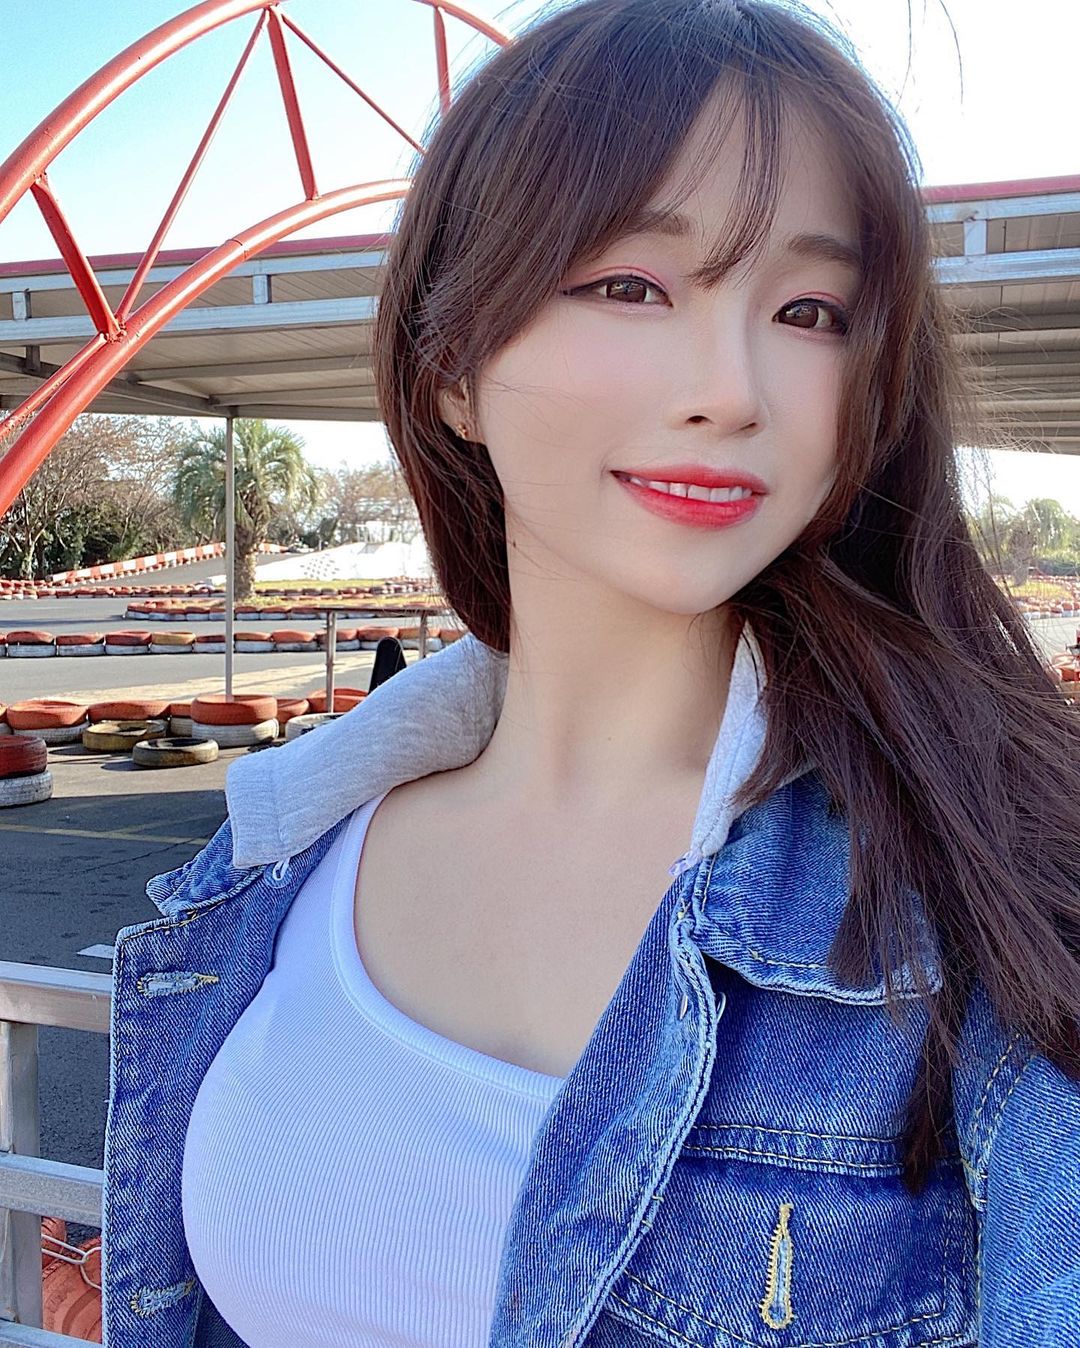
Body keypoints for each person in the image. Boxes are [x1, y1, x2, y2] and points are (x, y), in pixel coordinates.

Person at [100, 0, 1080, 1345]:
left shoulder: (993, 891)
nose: (733, 389)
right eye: (632, 286)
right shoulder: (279, 861)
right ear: (451, 365)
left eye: (810, 311)